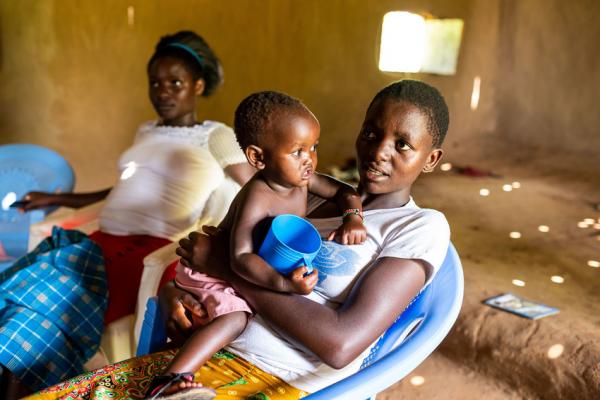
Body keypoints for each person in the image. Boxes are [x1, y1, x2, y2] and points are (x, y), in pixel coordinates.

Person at [25, 79, 451, 400]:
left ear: (430, 159)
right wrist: (180, 294)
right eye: (372, 133)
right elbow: (228, 257)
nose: (379, 152)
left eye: (403, 145)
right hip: (206, 356)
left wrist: (222, 267)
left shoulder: (420, 228)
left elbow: (340, 345)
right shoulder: (308, 198)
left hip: (281, 378)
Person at [0, 31, 253, 397]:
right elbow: (124, 188)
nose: (162, 92)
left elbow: (256, 190)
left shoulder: (216, 136)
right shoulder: (146, 130)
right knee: (24, 299)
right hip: (96, 243)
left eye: (175, 83)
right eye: (155, 83)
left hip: (143, 251)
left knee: (43, 301)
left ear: (198, 85)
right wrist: (66, 199)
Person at [145, 91, 367, 399]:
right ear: (258, 157)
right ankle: (169, 381)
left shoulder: (303, 180)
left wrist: (353, 217)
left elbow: (344, 190)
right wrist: (283, 284)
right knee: (236, 319)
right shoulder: (257, 196)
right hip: (214, 272)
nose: (310, 160)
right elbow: (240, 258)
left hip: (246, 275)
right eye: (298, 151)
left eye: (314, 147)